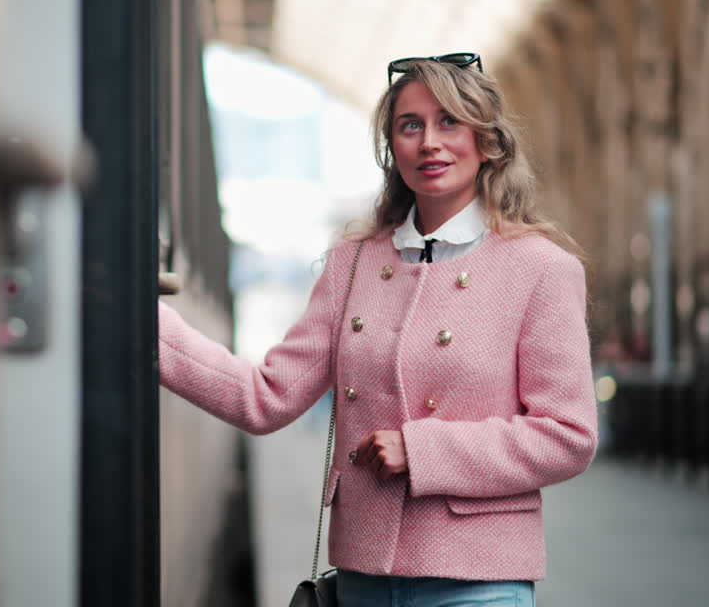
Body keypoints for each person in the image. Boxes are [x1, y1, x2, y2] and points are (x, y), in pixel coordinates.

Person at [157, 54, 598, 607]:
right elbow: (266, 397)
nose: (430, 142)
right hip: (362, 577)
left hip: (479, 582)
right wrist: (150, 328)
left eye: (449, 121)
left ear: (486, 142)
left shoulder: (541, 269)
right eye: (410, 126)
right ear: (393, 149)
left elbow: (567, 435)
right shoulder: (354, 264)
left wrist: (421, 449)